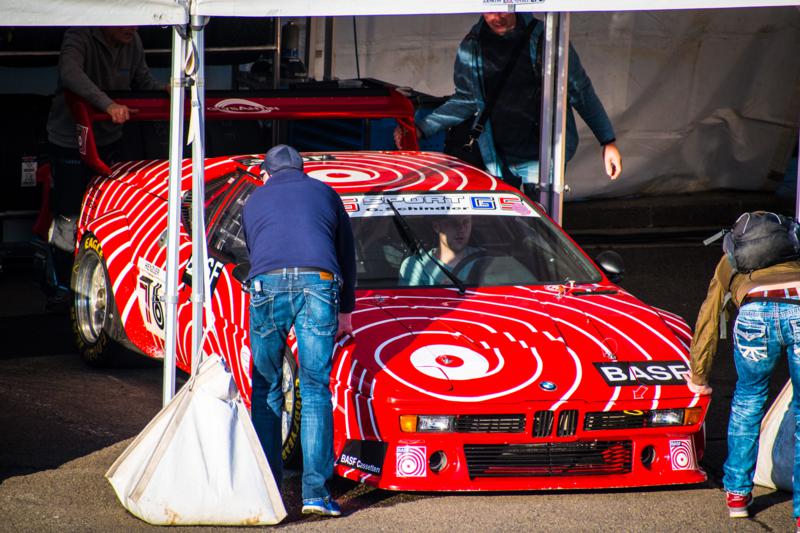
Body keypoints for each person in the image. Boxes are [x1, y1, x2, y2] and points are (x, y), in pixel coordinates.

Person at [242, 144, 356, 517]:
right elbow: (346, 254)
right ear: (302, 171)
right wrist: (346, 310)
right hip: (320, 282)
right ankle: (316, 495)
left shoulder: (254, 200)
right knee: (315, 387)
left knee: (266, 387)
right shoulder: (326, 193)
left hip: (267, 283)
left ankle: (267, 493)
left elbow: (255, 250)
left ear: (266, 173)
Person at [393, 12, 622, 191]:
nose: (497, 17)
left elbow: (580, 91)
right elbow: (466, 100)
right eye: (490, 10)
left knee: (539, 225)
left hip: (542, 158)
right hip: (497, 158)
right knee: (505, 228)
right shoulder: (471, 45)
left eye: (503, 8)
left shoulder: (547, 39)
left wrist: (607, 140)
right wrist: (422, 128)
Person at [686, 213, 800, 528]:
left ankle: (737, 495)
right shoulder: (796, 251)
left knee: (748, 401)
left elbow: (709, 318)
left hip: (753, 314)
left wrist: (699, 376)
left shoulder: (730, 261)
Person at [46, 26, 166, 299]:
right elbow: (70, 73)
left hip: (111, 139)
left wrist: (166, 89)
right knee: (70, 214)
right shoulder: (79, 35)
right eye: (126, 21)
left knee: (110, 209)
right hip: (70, 140)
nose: (132, 27)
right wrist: (107, 104)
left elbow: (143, 81)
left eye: (136, 22)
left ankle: (103, 279)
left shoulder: (132, 40)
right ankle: (63, 287)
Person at [399, 215, 484, 286]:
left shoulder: (484, 258)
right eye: (453, 223)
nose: (461, 229)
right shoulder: (415, 265)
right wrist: (442, 292)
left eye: (466, 222)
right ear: (436, 227)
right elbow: (411, 299)